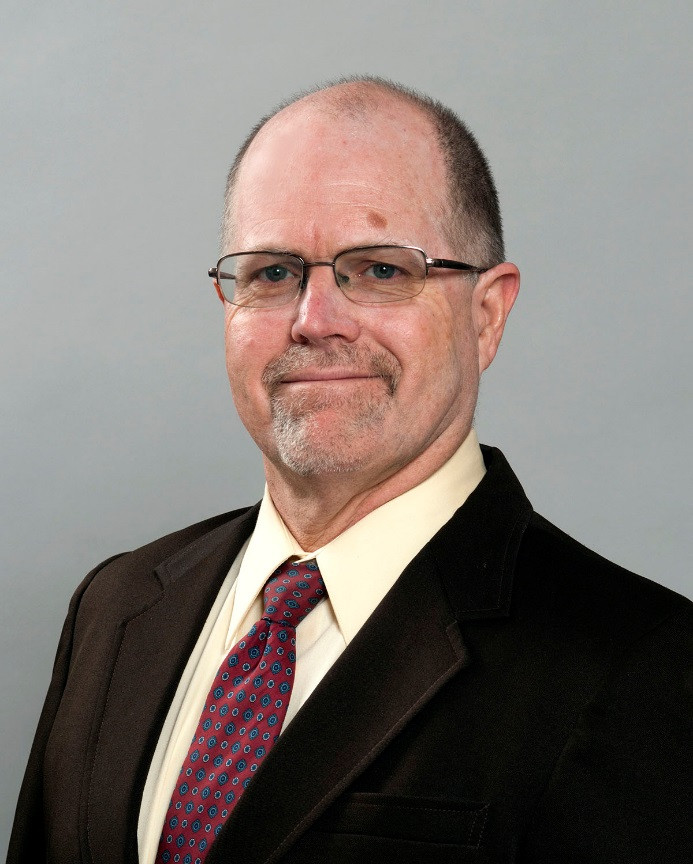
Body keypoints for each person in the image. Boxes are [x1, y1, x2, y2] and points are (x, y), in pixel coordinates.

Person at [8, 77, 691, 864]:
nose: (314, 321)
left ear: (486, 314)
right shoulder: (118, 605)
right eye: (272, 273)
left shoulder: (639, 665)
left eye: (379, 270)